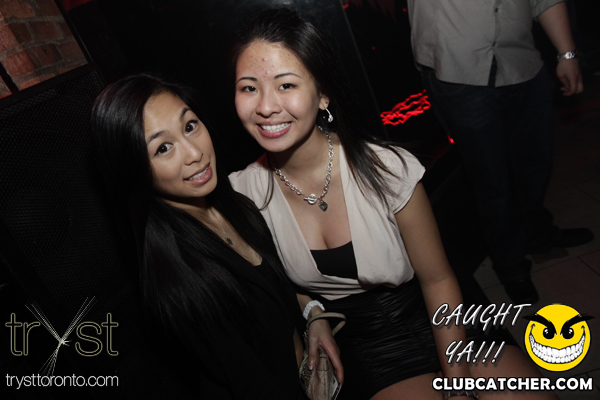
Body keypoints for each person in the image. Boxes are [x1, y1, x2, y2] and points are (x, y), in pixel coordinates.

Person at [229, 8, 558, 400]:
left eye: (286, 85)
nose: (266, 106)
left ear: (323, 94)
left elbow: (438, 280)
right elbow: (276, 284)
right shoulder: (245, 196)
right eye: (249, 88)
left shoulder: (387, 169)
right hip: (366, 342)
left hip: (443, 315)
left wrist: (457, 388)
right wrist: (313, 313)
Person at [90, 73, 315, 399]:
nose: (194, 152)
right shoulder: (179, 279)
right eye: (163, 148)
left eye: (190, 126)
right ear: (134, 170)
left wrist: (315, 318)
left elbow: (281, 298)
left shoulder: (238, 207)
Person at [406, 0, 593, 304]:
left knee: (535, 163)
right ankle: (511, 266)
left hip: (523, 61)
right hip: (459, 72)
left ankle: (539, 235)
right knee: (492, 181)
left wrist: (566, 53)